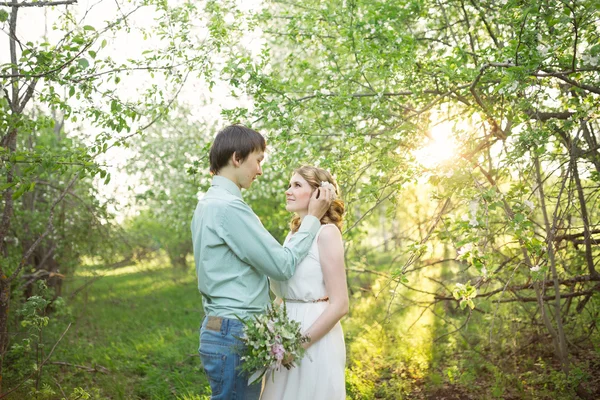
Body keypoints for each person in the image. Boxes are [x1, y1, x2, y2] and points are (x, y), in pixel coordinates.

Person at [191, 125, 334, 400]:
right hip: (234, 331)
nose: (260, 170)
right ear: (237, 157)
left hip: (219, 327)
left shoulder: (207, 204)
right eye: (258, 160)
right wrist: (313, 218)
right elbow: (281, 266)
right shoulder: (229, 208)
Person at [261, 165, 349, 400]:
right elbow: (283, 292)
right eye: (290, 185)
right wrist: (268, 333)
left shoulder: (327, 233)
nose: (288, 191)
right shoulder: (293, 235)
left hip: (314, 335)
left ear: (319, 194)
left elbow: (340, 304)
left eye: (297, 185)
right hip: (284, 333)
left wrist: (297, 347)